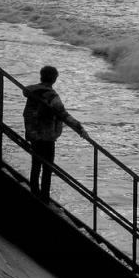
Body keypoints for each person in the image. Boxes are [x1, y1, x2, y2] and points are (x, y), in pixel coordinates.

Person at [23, 65, 86, 203]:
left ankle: (34, 191)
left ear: (41, 76)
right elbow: (63, 114)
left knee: (36, 164)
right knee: (47, 167)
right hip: (46, 135)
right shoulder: (51, 95)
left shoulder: (34, 92)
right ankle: (44, 197)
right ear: (54, 79)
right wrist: (79, 128)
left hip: (33, 133)